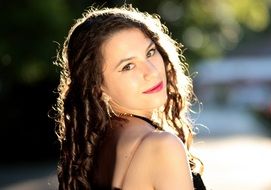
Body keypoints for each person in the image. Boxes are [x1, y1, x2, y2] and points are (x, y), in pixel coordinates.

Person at [53, 3, 206, 190]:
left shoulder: (94, 148)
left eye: (150, 52)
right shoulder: (162, 146)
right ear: (96, 86)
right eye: (128, 66)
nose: (151, 71)